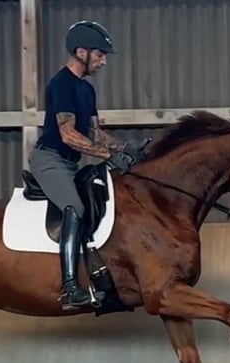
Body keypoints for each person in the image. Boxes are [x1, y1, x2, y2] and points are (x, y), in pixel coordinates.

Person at [28, 20, 150, 310]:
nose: (103, 61)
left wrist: (126, 147)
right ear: (81, 52)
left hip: (70, 164)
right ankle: (70, 287)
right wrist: (107, 155)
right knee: (75, 207)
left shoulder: (87, 90)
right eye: (100, 55)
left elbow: (95, 133)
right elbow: (68, 135)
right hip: (50, 161)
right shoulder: (60, 85)